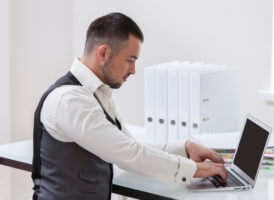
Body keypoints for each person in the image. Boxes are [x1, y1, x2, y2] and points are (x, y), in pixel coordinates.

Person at [32, 12, 227, 200]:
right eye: (130, 60)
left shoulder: (96, 93)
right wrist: (194, 170)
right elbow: (130, 154)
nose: (133, 70)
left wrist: (185, 148)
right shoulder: (70, 100)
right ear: (104, 53)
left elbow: (129, 145)